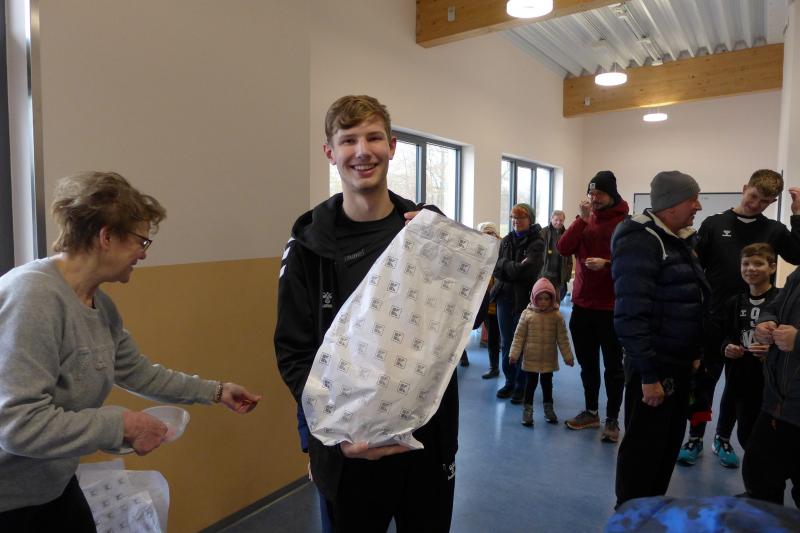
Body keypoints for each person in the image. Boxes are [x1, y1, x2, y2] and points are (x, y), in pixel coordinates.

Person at [0, 171, 261, 530]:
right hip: (10, 500)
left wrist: (216, 391)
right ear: (106, 237)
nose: (143, 254)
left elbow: (139, 372)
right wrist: (122, 425)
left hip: (52, 485)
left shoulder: (101, 307)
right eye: (141, 241)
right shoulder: (33, 297)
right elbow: (18, 424)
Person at [274, 95, 457, 532]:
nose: (362, 151)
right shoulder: (307, 249)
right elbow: (295, 354)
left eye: (374, 138)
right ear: (330, 152)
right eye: (348, 140)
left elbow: (458, 327)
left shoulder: (426, 231)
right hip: (349, 449)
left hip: (426, 444)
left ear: (392, 146)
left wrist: (453, 256)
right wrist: (330, 436)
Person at [678, 169, 800, 467]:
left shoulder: (774, 230)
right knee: (704, 382)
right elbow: (693, 267)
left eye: (765, 201)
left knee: (737, 389)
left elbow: (798, 255)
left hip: (751, 323)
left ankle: (722, 438)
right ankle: (695, 436)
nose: (756, 204)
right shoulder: (714, 224)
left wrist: (797, 216)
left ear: (772, 203)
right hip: (713, 319)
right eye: (754, 196)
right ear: (745, 188)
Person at [611, 170, 709, 507]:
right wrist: (649, 376)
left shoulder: (676, 239)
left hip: (678, 364)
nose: (698, 206)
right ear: (671, 204)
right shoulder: (640, 240)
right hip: (655, 367)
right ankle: (629, 515)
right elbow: (630, 314)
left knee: (666, 447)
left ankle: (650, 512)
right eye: (692, 199)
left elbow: (688, 299)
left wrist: (695, 351)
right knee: (644, 450)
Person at [557, 170, 628, 441]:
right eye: (591, 193)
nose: (594, 198)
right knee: (588, 365)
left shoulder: (625, 223)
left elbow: (633, 261)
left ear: (612, 195)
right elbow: (563, 248)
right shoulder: (585, 220)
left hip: (611, 307)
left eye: (599, 194)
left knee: (613, 367)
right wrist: (581, 220)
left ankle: (612, 419)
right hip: (583, 305)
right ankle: (591, 412)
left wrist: (607, 264)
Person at [712, 243, 778, 468]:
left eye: (758, 264)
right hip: (740, 377)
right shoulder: (734, 302)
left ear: (772, 267)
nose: (751, 268)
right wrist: (727, 348)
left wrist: (772, 351)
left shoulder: (780, 300)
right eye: (746, 264)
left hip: (770, 384)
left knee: (766, 436)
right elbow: (725, 337)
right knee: (746, 432)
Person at [745, 258, 800, 507]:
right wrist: (766, 322)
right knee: (759, 475)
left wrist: (798, 340)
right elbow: (775, 305)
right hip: (778, 402)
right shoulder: (798, 274)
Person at [491, 203, 545, 404]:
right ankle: (509, 382)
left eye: (521, 218)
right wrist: (512, 267)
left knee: (522, 343)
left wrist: (506, 267)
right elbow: (496, 267)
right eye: (513, 217)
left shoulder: (537, 243)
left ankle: (521, 385)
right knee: (506, 342)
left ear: (530, 219)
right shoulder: (506, 241)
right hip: (503, 298)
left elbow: (528, 271)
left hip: (523, 299)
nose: (516, 221)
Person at [509, 277, 575, 426]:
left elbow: (563, 338)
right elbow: (518, 337)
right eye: (540, 298)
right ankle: (528, 409)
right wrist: (514, 354)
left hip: (548, 359)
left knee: (547, 384)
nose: (543, 302)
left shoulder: (556, 316)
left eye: (547, 298)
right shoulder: (527, 315)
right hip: (531, 358)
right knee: (530, 384)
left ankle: (548, 408)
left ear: (552, 298)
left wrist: (568, 357)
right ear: (534, 297)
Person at [477, 221, 502, 379]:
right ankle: (494, 367)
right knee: (492, 338)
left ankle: (512, 374)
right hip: (487, 303)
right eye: (485, 234)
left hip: (503, 302)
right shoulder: (477, 252)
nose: (489, 237)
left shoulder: (503, 249)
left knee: (508, 339)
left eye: (491, 234)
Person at [540, 210, 573, 301]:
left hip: (559, 276)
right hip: (544, 274)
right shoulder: (543, 232)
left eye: (561, 220)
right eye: (556, 220)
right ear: (551, 219)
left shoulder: (567, 234)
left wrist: (567, 276)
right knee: (544, 302)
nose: (558, 222)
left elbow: (569, 258)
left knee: (557, 302)